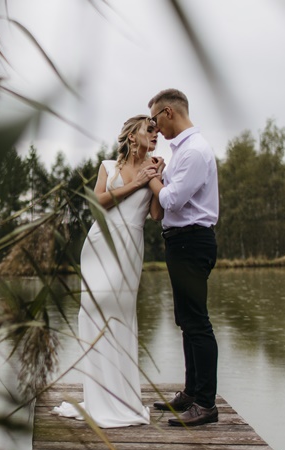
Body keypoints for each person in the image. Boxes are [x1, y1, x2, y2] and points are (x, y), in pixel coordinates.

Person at [52, 115, 163, 428]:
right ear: (131, 137)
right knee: (94, 309)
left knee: (121, 316)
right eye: (149, 130)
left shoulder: (155, 167)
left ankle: (121, 396)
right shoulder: (107, 166)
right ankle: (99, 395)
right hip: (101, 243)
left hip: (130, 246)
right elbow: (97, 203)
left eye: (157, 133)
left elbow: (156, 214)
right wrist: (136, 183)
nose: (155, 137)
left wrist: (156, 182)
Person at [146, 89, 220, 427]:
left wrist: (153, 180)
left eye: (155, 120)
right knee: (186, 320)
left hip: (192, 241)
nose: (155, 128)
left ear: (168, 112)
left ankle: (205, 404)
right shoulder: (182, 152)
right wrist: (161, 175)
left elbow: (172, 200)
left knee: (196, 321)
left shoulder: (194, 151)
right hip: (181, 242)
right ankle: (192, 393)